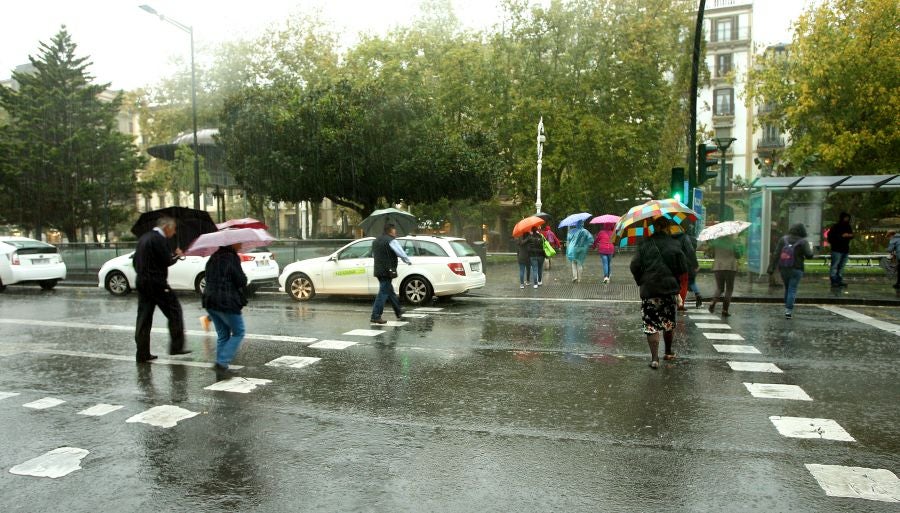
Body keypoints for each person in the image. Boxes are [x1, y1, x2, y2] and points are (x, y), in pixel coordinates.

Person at [630, 216, 688, 369]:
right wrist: (674, 278)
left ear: (654, 227)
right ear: (668, 227)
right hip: (668, 289)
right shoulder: (674, 244)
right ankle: (668, 352)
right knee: (668, 322)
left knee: (651, 324)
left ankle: (654, 358)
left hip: (650, 289)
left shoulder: (644, 244)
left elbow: (634, 265)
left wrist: (641, 280)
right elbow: (683, 268)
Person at [133, 216, 191, 362]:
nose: (174, 231)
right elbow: (166, 261)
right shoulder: (159, 239)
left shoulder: (144, 238)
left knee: (144, 318)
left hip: (142, 281)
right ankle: (176, 347)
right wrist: (177, 255)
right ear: (167, 227)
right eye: (174, 228)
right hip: (157, 283)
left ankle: (142, 353)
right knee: (175, 311)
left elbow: (135, 261)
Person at [202, 242, 248, 372]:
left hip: (210, 299)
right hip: (226, 300)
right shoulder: (231, 258)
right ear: (232, 243)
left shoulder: (213, 257)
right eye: (239, 241)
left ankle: (222, 368)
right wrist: (244, 277)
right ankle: (222, 363)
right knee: (239, 332)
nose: (241, 244)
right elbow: (240, 280)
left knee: (223, 335)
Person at [767, 223, 814, 319]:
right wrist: (811, 251)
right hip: (797, 268)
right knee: (792, 289)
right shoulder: (803, 242)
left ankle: (787, 307)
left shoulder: (783, 239)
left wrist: (771, 267)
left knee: (788, 288)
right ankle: (788, 311)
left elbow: (776, 254)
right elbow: (809, 255)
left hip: (784, 268)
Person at [370, 223, 412, 324]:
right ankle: (375, 315)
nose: (395, 231)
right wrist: (408, 261)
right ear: (390, 230)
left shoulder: (376, 241)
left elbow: (373, 254)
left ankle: (398, 311)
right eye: (394, 229)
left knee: (390, 291)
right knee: (383, 293)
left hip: (378, 269)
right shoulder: (391, 240)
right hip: (387, 270)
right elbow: (400, 252)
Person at [706, 235, 742, 316]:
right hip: (730, 267)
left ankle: (712, 303)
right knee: (729, 289)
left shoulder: (716, 242)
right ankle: (725, 310)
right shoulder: (732, 242)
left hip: (718, 267)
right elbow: (738, 255)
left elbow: (711, 254)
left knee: (719, 288)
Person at [672, 225, 701, 309]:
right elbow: (691, 250)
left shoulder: (669, 238)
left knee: (675, 284)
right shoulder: (685, 238)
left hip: (673, 264)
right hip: (684, 264)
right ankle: (681, 304)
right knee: (684, 283)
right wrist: (695, 264)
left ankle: (673, 302)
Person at [826, 212, 854, 287]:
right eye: (845, 218)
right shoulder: (835, 227)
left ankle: (839, 280)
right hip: (836, 249)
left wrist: (848, 235)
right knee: (835, 265)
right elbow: (831, 237)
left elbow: (851, 235)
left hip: (845, 249)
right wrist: (841, 236)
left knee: (841, 266)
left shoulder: (848, 227)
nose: (847, 219)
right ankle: (834, 280)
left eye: (848, 218)